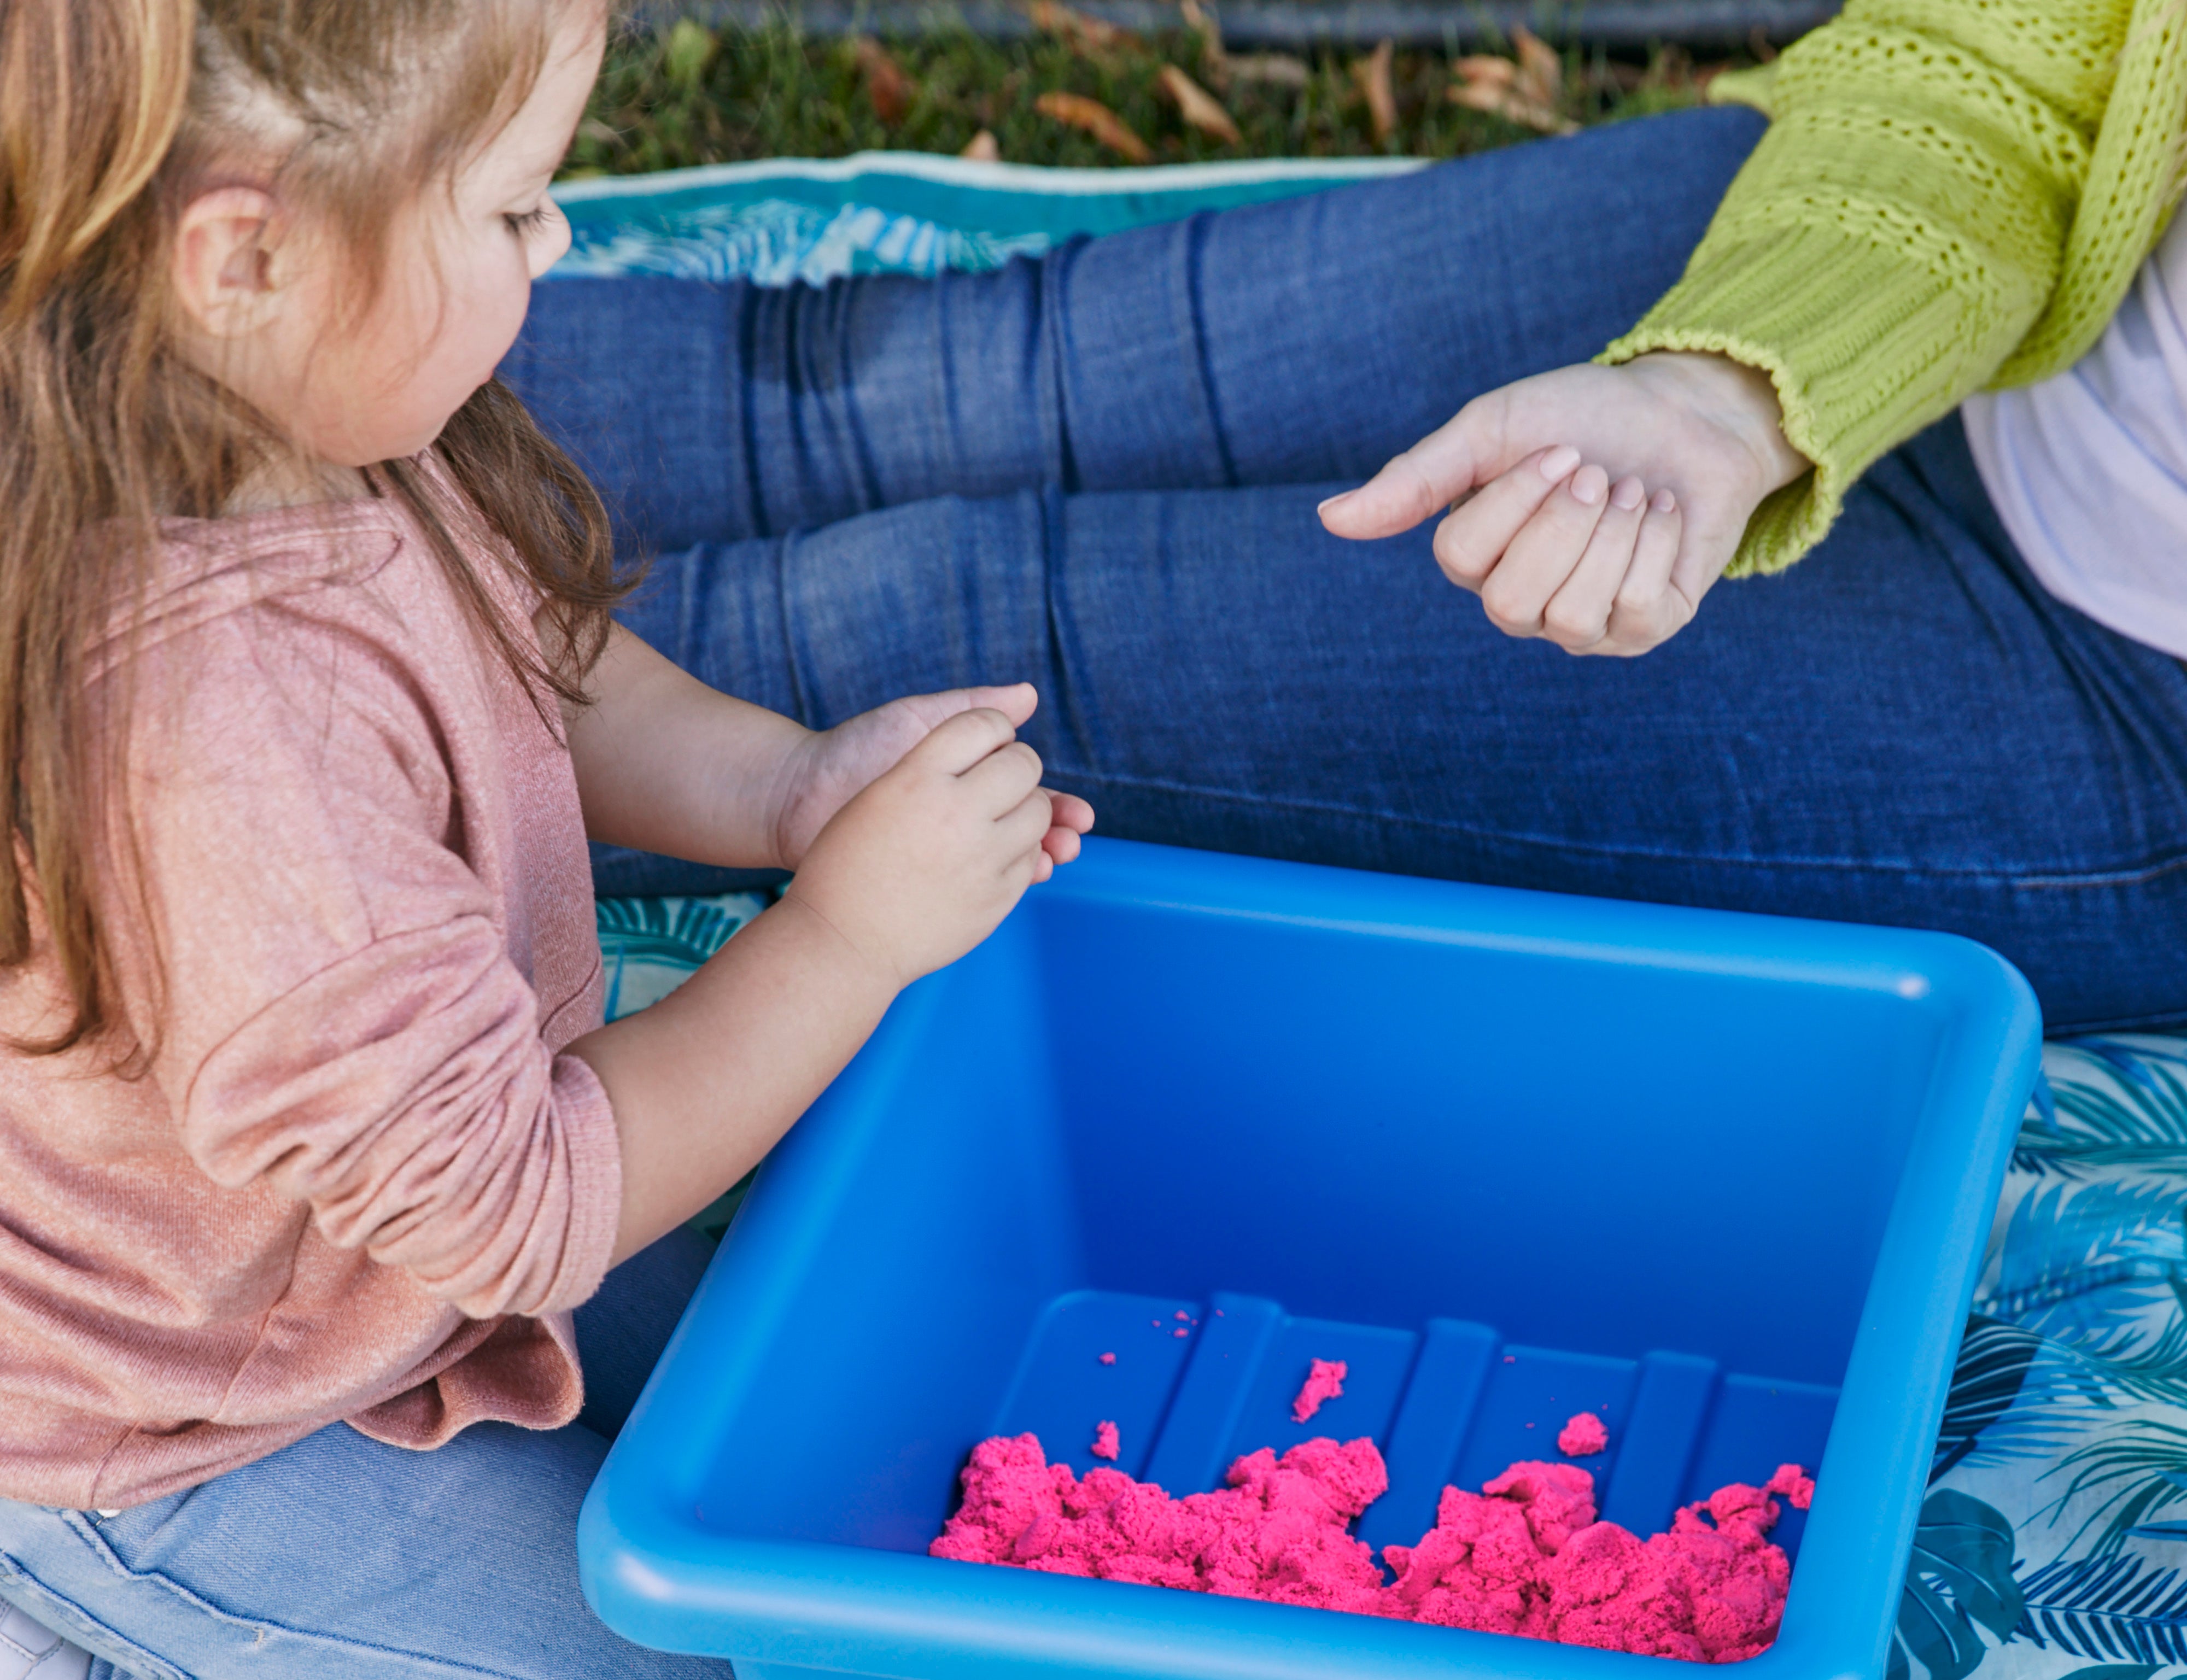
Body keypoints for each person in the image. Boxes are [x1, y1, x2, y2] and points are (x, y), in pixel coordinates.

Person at [0, 0, 1091, 1680]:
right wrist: (846, 938)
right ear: (243, 254)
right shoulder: (221, 747)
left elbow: (542, 669)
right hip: (168, 1422)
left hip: (360, 1247)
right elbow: (514, 1208)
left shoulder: (290, 405)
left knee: (815, 1381)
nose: (566, 239)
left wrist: (788, 793)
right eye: (513, 208)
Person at [508, 0, 2187, 1039]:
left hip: (2119, 695)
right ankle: (331, 400)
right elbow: (2017, 56)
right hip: (1975, 258)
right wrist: (1733, 383)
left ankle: (353, 745)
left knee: (926, 632)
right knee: (911, 383)